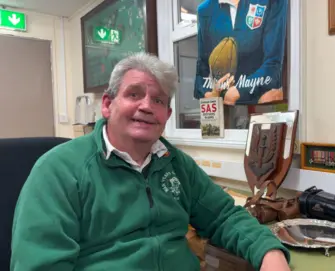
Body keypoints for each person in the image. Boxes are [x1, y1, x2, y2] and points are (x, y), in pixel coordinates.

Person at [10, 52, 291, 271]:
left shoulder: (177, 164)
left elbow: (224, 217)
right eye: (134, 94)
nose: (146, 106)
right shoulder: (57, 171)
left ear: (166, 116)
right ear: (107, 105)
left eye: (158, 100)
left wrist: (270, 253)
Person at [194, 0, 287, 105]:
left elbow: (273, 63)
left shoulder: (271, 2)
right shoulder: (204, 10)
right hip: (225, 110)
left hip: (259, 106)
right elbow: (202, 69)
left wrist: (239, 91)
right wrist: (211, 96)